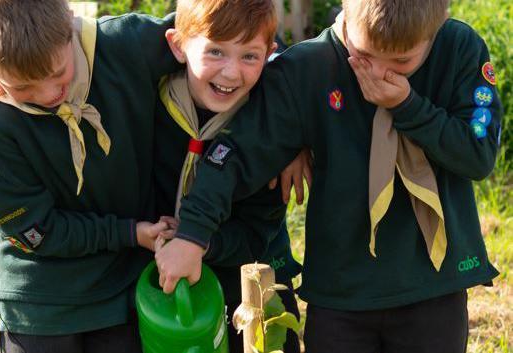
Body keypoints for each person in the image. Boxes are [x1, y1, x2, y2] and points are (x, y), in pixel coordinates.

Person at [155, 0, 502, 352]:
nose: (381, 73)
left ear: (437, 27)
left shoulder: (460, 48)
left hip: (432, 287)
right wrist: (192, 235)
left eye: (402, 61)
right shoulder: (306, 69)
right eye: (366, 55)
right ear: (346, 13)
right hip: (341, 291)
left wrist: (408, 106)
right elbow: (234, 155)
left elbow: (479, 153)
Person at [0, 0, 181, 351]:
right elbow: (36, 232)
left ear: (71, 25)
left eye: (59, 73)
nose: (48, 95)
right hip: (39, 299)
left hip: (125, 284)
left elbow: (217, 39)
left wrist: (288, 131)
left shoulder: (126, 43)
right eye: (24, 88)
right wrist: (128, 232)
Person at [153, 0, 305, 351]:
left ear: (269, 53)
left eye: (249, 57)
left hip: (253, 279)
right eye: (216, 52)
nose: (231, 73)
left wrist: (199, 243)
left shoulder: (271, 123)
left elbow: (256, 233)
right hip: (163, 290)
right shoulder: (149, 97)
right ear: (178, 45)